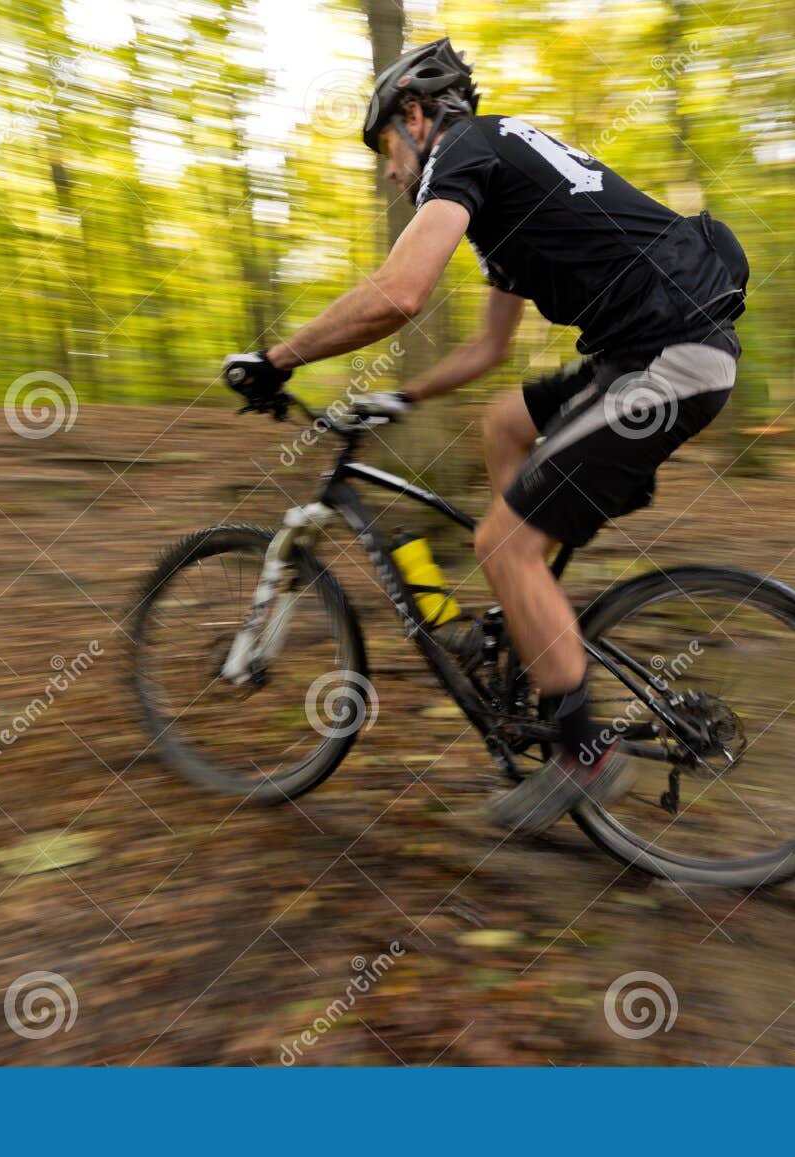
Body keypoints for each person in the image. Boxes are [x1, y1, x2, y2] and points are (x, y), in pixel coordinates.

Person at [222, 38, 747, 834]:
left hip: (668, 358)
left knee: (502, 541)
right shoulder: (501, 185)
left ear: (416, 114)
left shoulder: (462, 151)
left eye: (386, 152)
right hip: (643, 352)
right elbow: (488, 351)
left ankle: (586, 753)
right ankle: (533, 610)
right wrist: (401, 394)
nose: (392, 174)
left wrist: (278, 358)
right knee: (502, 419)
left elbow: (399, 293)